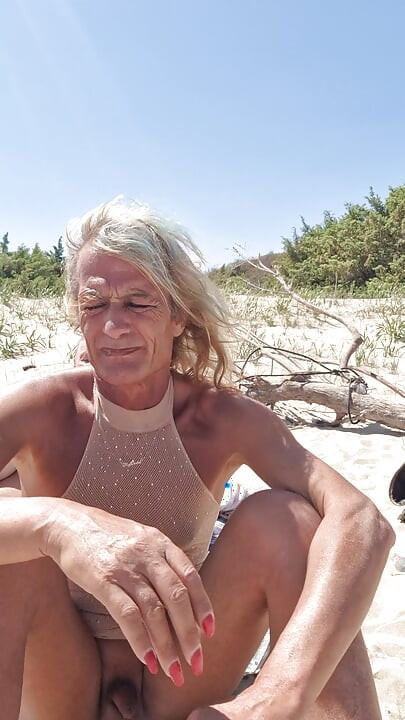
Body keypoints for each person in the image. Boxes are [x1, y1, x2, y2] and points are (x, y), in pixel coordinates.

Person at [0, 197, 394, 720]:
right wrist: (57, 523)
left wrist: (279, 692)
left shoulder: (223, 419)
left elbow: (363, 521)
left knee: (288, 519)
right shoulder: (42, 409)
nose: (113, 326)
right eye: (94, 305)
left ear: (178, 314)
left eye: (138, 302)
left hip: (179, 674)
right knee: (14, 544)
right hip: (56, 683)